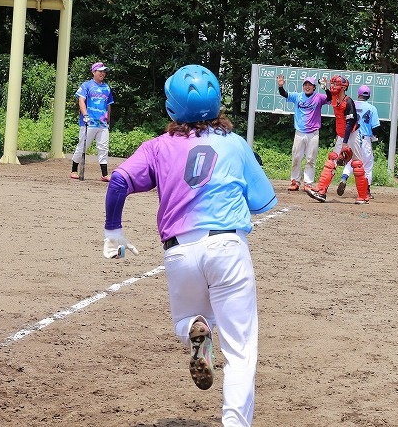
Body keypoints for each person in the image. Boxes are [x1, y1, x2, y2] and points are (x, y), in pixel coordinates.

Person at [101, 64, 277, 427]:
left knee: (186, 320)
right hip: (227, 246)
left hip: (179, 250)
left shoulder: (157, 146)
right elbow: (264, 203)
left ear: (171, 108)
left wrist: (114, 231)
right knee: (241, 350)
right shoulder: (235, 144)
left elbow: (118, 181)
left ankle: (197, 327)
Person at [305, 75, 370, 204]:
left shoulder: (349, 102)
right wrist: (324, 87)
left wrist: (345, 142)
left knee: (357, 164)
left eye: (336, 84)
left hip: (352, 134)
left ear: (343, 87)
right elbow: (329, 97)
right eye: (333, 84)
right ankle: (321, 191)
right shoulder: (335, 98)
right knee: (332, 160)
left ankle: (363, 196)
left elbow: (350, 124)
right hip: (341, 134)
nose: (334, 86)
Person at [277, 74, 329, 191]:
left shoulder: (319, 97)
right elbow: (284, 94)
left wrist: (326, 88)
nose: (307, 86)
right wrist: (280, 86)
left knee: (311, 159)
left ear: (314, 87)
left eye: (310, 85)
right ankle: (295, 181)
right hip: (299, 132)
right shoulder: (298, 96)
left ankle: (308, 183)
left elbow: (330, 98)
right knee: (296, 157)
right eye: (305, 84)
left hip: (313, 133)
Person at [70, 62, 115, 182]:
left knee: (103, 147)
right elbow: (81, 100)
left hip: (103, 123)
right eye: (100, 71)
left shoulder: (107, 88)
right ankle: (74, 170)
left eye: (104, 71)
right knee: (82, 146)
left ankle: (104, 174)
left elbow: (108, 105)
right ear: (94, 72)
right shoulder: (86, 85)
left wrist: (108, 119)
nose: (103, 73)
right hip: (89, 122)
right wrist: (85, 115)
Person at [337, 85, 380, 198]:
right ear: (368, 96)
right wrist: (375, 136)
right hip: (365, 139)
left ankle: (344, 178)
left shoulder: (351, 104)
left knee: (350, 161)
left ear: (358, 94)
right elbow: (375, 128)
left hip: (351, 137)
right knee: (367, 165)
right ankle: (366, 190)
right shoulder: (372, 108)